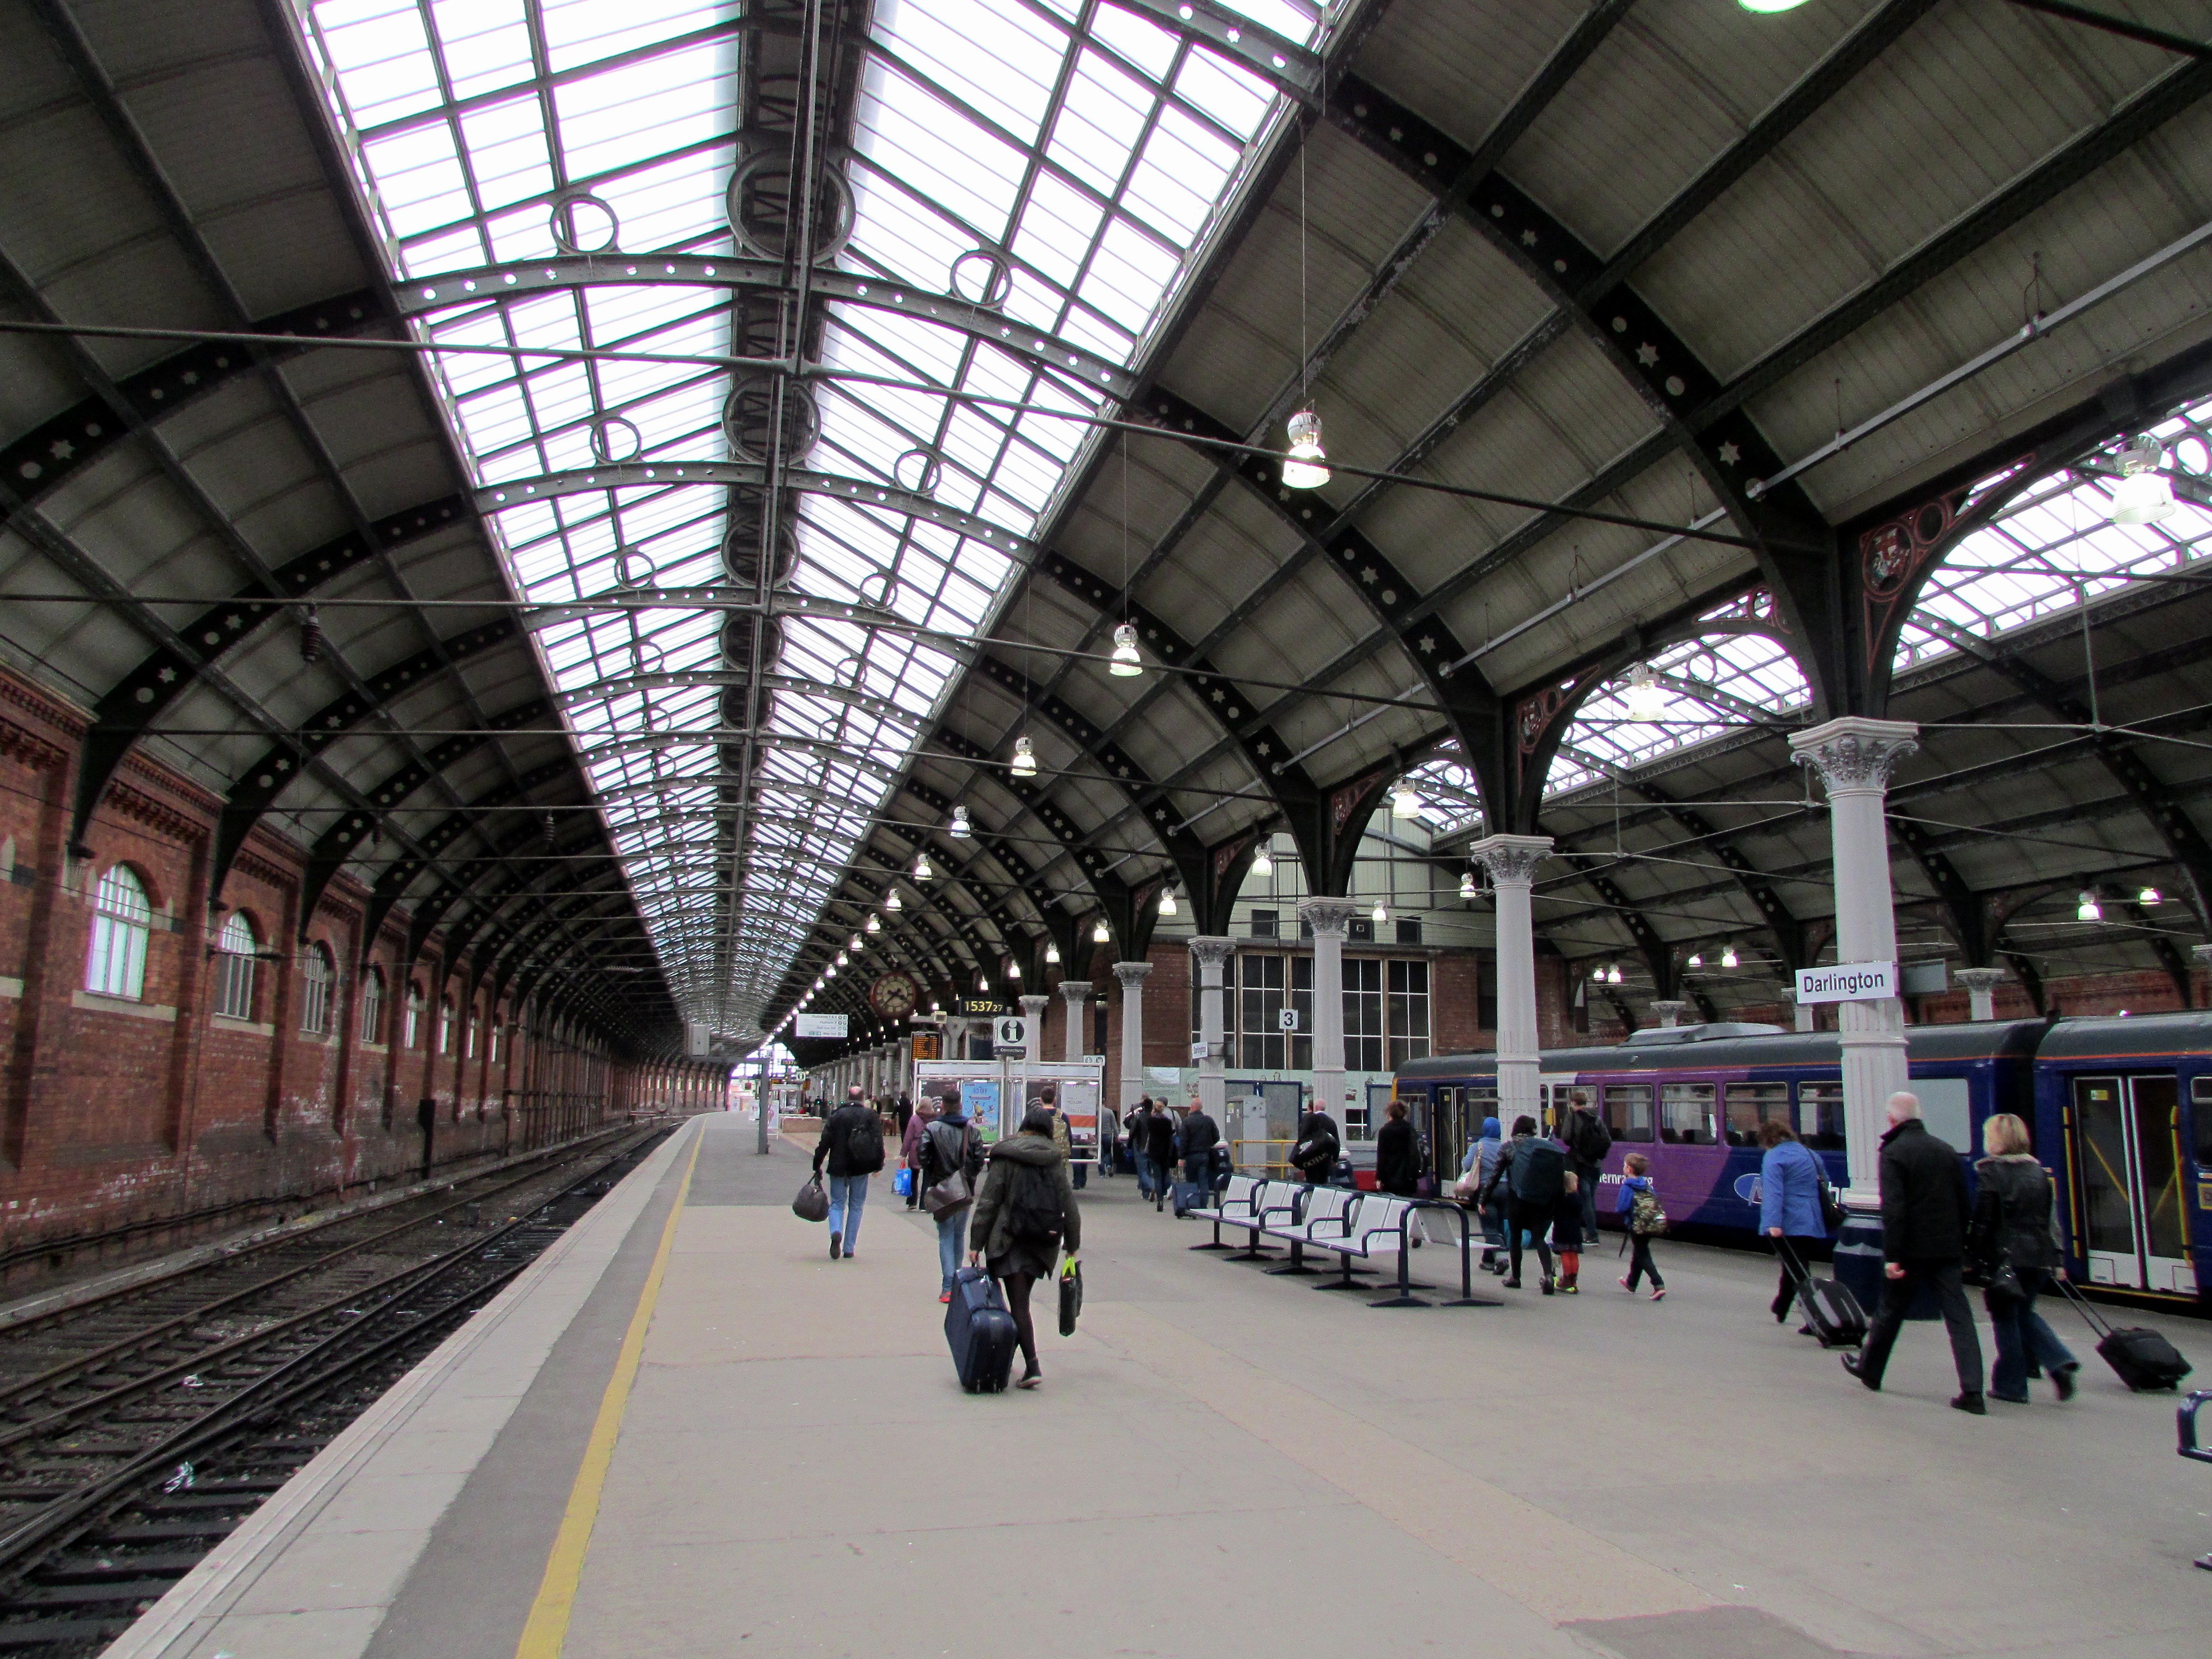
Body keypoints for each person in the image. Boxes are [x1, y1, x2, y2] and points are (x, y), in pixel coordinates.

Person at [1842, 1093, 1988, 1413]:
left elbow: (1895, 1209)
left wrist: (1893, 1256)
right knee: (1960, 1319)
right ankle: (1973, 1390)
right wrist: (1962, 1246)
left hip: (1910, 1250)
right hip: (1947, 1250)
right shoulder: (1945, 1150)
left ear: (1892, 1120)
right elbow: (1965, 1203)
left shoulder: (1894, 1152)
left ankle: (1871, 1370)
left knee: (1890, 1311)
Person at [1969, 1112, 2080, 1404]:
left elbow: (1984, 1220)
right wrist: (2058, 1259)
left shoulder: (1990, 1172)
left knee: (2006, 1318)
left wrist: (1974, 1256)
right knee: (2024, 1313)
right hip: (2038, 1255)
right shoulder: (2039, 1172)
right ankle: (2058, 1362)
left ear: (1996, 1140)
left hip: (2006, 1258)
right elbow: (2051, 1220)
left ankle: (2012, 1386)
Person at [969, 1105, 1081, 1389]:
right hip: (1043, 1240)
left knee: (1018, 1304)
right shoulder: (1053, 1160)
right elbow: (1070, 1205)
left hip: (1010, 1238)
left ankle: (1031, 1366)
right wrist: (1072, 1245)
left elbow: (990, 1202)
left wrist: (976, 1242)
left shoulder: (1006, 1155)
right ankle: (1009, 1360)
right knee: (1021, 1301)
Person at [1757, 1118, 1829, 1327]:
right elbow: (1823, 1180)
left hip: (1788, 1221)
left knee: (1799, 1271)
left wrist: (1773, 1224)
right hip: (1812, 1219)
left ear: (1768, 1140)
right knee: (1794, 1265)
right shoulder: (1810, 1154)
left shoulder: (1774, 1157)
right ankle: (1782, 1306)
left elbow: (1773, 1193)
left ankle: (1817, 1319)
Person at [917, 1086, 984, 1301]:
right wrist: (967, 1177)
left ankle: (947, 1286)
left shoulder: (932, 1128)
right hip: (964, 1191)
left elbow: (923, 1156)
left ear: (943, 1106)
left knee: (945, 1236)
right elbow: (979, 1160)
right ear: (961, 1105)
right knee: (958, 1236)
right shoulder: (971, 1130)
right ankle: (956, 1283)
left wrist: (938, 1174)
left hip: (942, 1191)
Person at [1483, 1115, 1563, 1292]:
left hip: (1517, 1200)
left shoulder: (1509, 1148)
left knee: (1516, 1238)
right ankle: (1549, 1276)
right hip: (1540, 1201)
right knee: (1539, 1239)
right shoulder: (1540, 1147)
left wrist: (1484, 1198)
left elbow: (1495, 1176)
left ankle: (1516, 1278)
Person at [812, 1085, 886, 1261]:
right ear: (862, 1099)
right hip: (861, 1166)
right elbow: (878, 1141)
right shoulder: (870, 1116)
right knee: (856, 1206)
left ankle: (836, 1231)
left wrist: (817, 1163)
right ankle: (849, 1248)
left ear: (847, 1097)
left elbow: (825, 1142)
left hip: (838, 1166)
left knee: (837, 1203)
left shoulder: (837, 1115)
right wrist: (879, 1164)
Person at [1615, 1152, 1666, 1298]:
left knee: (1643, 1255)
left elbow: (1622, 1207)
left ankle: (1658, 1284)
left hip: (1636, 1225)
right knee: (1639, 1252)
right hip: (1650, 1224)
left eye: (1625, 1165)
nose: (1623, 1168)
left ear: (1629, 1169)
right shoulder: (1647, 1185)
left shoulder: (1628, 1186)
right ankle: (1631, 1283)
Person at [1563, 1091, 1611, 1241]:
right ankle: (1591, 1232)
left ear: (1573, 1103)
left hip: (1580, 1164)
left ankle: (1592, 1234)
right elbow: (1607, 1140)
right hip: (1596, 1165)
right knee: (1591, 1198)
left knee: (1585, 1200)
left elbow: (1565, 1137)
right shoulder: (1596, 1118)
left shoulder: (1572, 1117)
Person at [1460, 1116, 1506, 1272]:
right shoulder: (1504, 1146)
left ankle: (1502, 1258)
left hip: (1486, 1191)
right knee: (1499, 1226)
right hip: (1505, 1190)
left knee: (1489, 1228)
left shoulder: (1478, 1147)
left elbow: (1466, 1165)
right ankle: (1488, 1261)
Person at [1178, 1095, 1222, 1214]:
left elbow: (1184, 1141)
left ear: (1192, 1107)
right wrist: (1208, 1144)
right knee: (1203, 1180)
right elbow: (1217, 1137)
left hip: (1191, 1156)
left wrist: (1181, 1157)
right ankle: (1204, 1204)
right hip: (1205, 1155)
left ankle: (1192, 1204)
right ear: (1201, 1108)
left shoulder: (1187, 1121)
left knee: (1191, 1181)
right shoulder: (1209, 1120)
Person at [1375, 1099, 1420, 1197]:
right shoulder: (1410, 1130)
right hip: (1408, 1177)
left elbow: (1382, 1157)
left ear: (1389, 1113)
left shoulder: (1385, 1131)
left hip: (1390, 1177)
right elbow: (1415, 1153)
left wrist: (1379, 1178)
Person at [1291, 1098, 1341, 1186]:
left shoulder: (1310, 1119)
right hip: (1326, 1158)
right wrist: (1335, 1159)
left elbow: (1303, 1138)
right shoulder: (1331, 1122)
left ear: (1316, 1107)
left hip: (1311, 1157)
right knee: (1323, 1181)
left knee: (1312, 1182)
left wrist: (1298, 1155)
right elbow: (1336, 1143)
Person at [1143, 1098, 1180, 1212]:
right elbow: (1170, 1137)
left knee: (1157, 1177)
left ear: (1154, 1109)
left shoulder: (1151, 1121)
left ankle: (1160, 1200)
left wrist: (1153, 1115)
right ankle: (1164, 1192)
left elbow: (1149, 1130)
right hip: (1165, 1153)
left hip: (1154, 1152)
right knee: (1165, 1176)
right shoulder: (1168, 1122)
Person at [899, 1093, 933, 1210]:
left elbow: (908, 1138)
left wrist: (904, 1154)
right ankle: (924, 1205)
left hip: (916, 1149)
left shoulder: (914, 1119)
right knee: (927, 1178)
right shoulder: (934, 1119)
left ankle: (912, 1202)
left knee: (914, 1176)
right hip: (929, 1149)